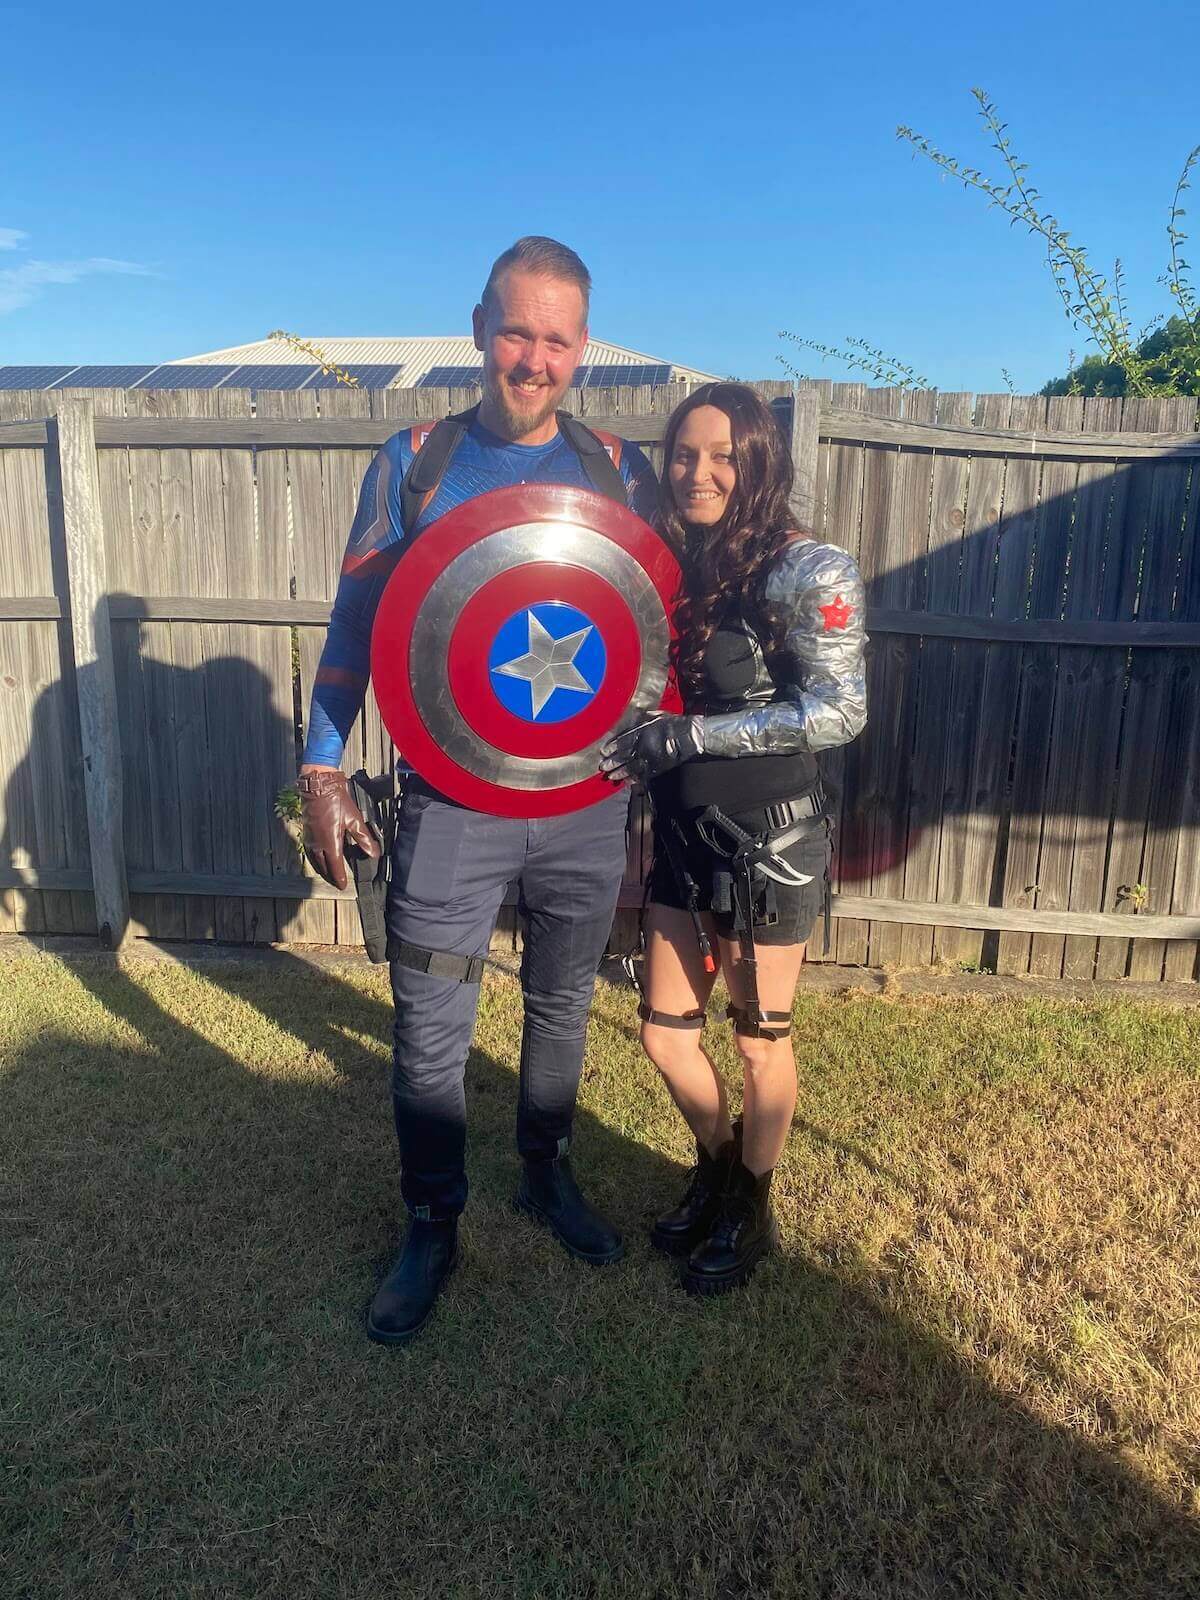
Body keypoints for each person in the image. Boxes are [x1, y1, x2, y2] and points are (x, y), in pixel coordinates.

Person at [299, 237, 659, 1345]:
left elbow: (649, 635)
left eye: (557, 338)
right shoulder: (413, 462)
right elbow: (356, 628)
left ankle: (544, 1174)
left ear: (583, 348)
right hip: (451, 801)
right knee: (431, 1021)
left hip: (587, 798)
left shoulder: (615, 468)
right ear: (477, 327)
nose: (534, 357)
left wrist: (656, 792)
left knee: (561, 1000)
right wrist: (320, 766)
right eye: (517, 331)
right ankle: (430, 1221)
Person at [600, 382, 867, 1295]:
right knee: (666, 1035)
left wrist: (694, 737)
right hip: (679, 829)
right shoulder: (670, 563)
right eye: (683, 453)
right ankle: (718, 1170)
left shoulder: (808, 568)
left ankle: (752, 1204)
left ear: (760, 463)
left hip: (769, 839)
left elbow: (841, 709)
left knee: (758, 1044)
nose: (698, 472)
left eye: (723, 456)